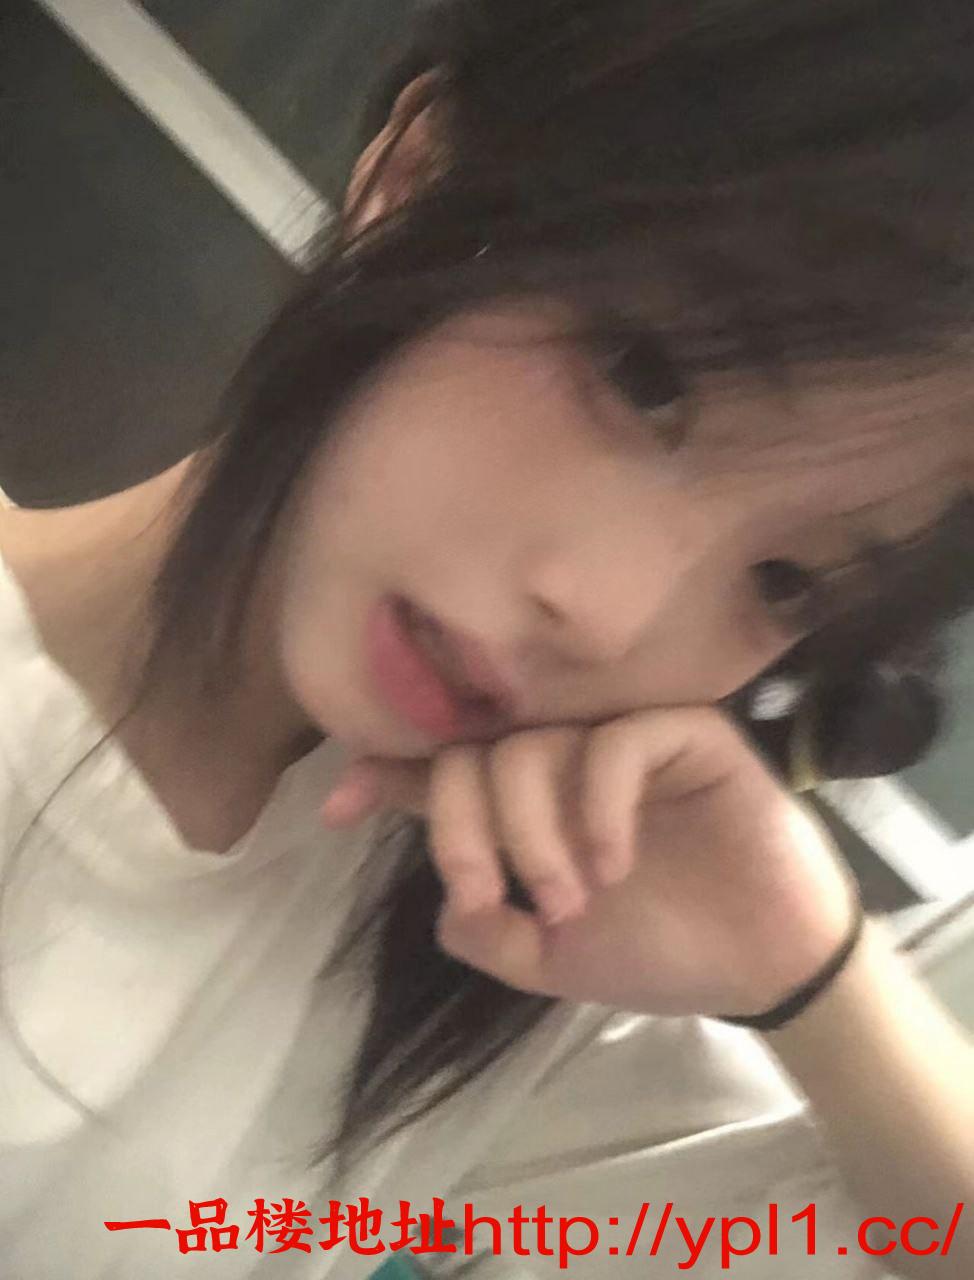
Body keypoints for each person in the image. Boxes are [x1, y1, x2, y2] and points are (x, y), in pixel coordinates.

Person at [1, 1, 972, 1277]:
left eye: (785, 582)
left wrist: (814, 970)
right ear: (416, 177)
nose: (612, 613)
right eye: (642, 376)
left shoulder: (481, 962)